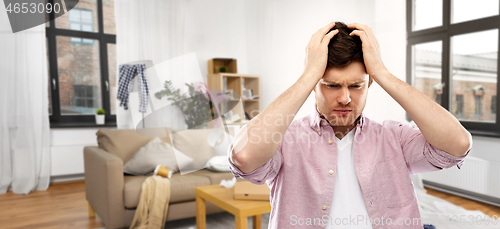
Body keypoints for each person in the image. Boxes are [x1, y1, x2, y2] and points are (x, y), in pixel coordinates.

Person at [227, 21, 472, 228]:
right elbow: (245, 157)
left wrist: (382, 72)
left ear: (369, 84)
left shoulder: (393, 137)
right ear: (314, 84)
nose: (345, 98)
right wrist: (308, 74)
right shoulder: (286, 139)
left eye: (356, 86)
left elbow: (457, 144)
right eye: (332, 85)